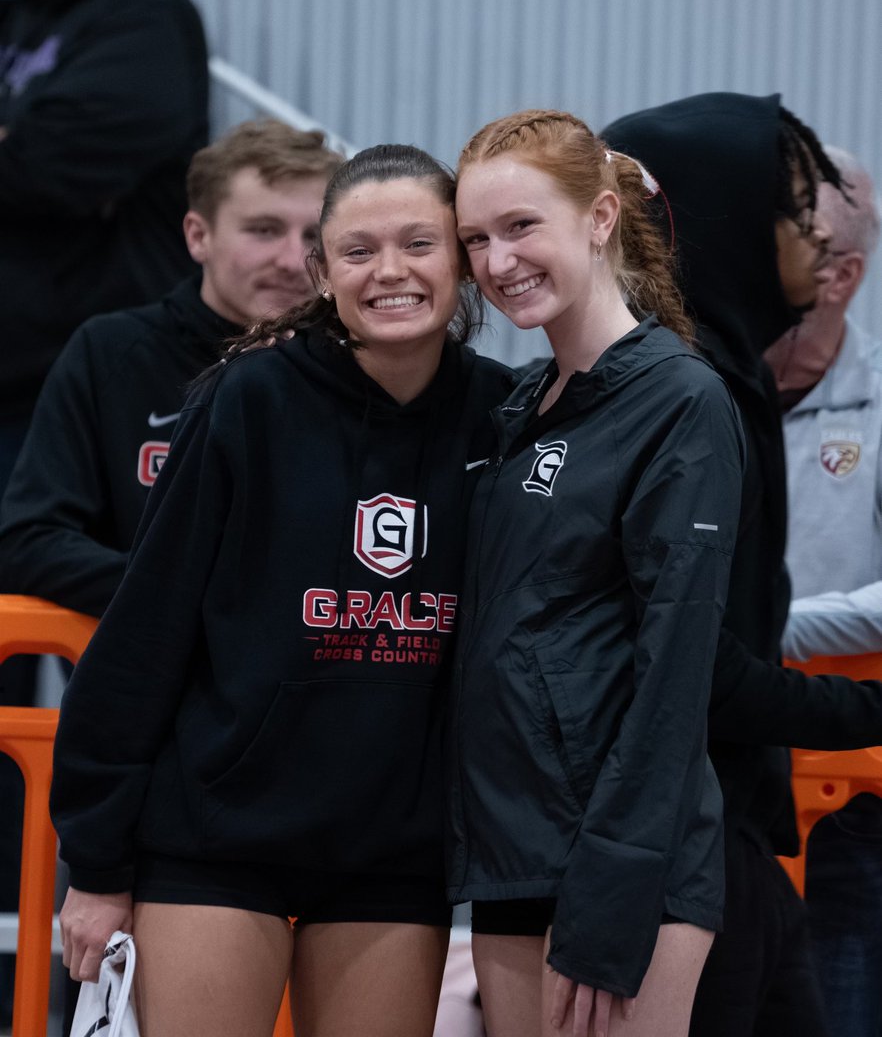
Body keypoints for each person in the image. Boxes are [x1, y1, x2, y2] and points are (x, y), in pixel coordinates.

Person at [49, 145, 518, 1037]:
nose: (390, 272)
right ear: (323, 271)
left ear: (459, 259)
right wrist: (98, 865)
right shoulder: (246, 401)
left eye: (419, 243)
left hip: (392, 852)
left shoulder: (508, 418)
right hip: (215, 839)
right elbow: (144, 636)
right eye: (358, 250)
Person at [448, 108, 745, 1037]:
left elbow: (674, 669)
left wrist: (615, 887)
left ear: (602, 217)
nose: (497, 263)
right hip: (515, 847)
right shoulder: (527, 404)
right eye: (475, 240)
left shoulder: (680, 400)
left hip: (622, 863)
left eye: (521, 226)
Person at [602, 93, 882, 1037]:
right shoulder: (691, 394)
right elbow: (697, 668)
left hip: (737, 834)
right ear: (725, 217)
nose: (816, 232)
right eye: (793, 203)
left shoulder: (722, 376)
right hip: (677, 848)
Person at [0, 119, 343, 617]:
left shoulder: (364, 363)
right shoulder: (112, 353)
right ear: (198, 236)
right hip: (149, 684)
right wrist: (199, 597)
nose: (293, 260)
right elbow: (28, 541)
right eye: (264, 230)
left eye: (314, 235)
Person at [0, 0, 209, 487]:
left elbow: (38, 167)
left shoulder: (146, 18)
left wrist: (19, 143)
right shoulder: (15, 18)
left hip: (68, 407)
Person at [765, 147, 882, 1036]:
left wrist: (754, 630)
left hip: (848, 805)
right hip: (704, 790)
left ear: (839, 273)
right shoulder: (692, 387)